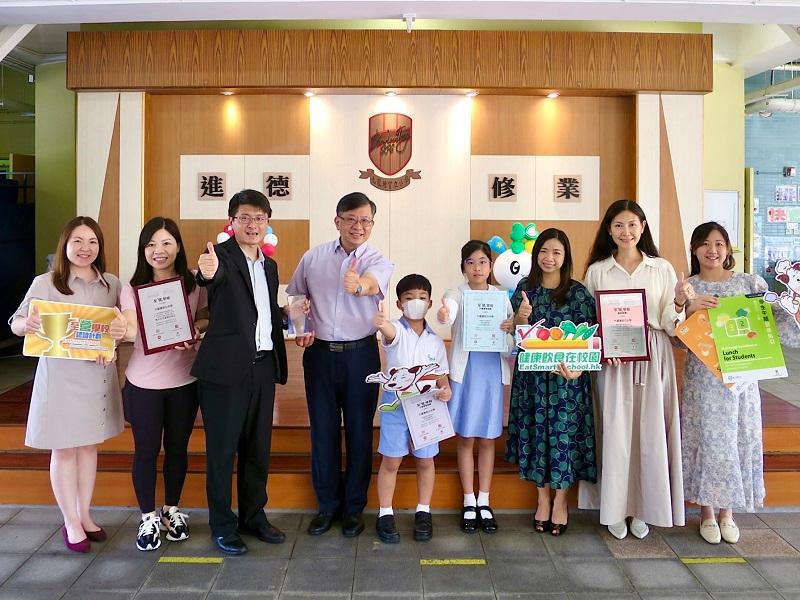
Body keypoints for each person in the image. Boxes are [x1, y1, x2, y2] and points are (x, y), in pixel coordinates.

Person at [9, 216, 127, 552]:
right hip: (60, 377)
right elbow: (17, 323)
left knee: (89, 446)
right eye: (78, 241)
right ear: (65, 244)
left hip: (96, 375)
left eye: (92, 241)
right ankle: (70, 521)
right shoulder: (47, 283)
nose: (85, 248)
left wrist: (116, 341)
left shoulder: (112, 285)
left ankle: (85, 514)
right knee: (64, 448)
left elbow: (120, 329)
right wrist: (27, 323)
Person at [577, 199, 693, 539]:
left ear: (642, 227)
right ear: (609, 231)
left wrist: (680, 302)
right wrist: (602, 345)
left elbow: (673, 326)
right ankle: (615, 507)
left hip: (654, 356)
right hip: (612, 363)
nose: (626, 232)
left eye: (632, 225)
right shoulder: (598, 270)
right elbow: (588, 321)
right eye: (618, 226)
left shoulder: (662, 268)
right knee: (615, 431)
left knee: (650, 434)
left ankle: (645, 507)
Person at [680, 222, 799, 544]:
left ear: (728, 248)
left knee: (735, 440)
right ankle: (706, 513)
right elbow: (677, 340)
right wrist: (686, 308)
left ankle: (728, 513)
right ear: (694, 249)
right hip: (702, 381)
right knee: (707, 441)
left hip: (742, 382)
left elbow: (778, 327)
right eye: (705, 244)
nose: (712, 250)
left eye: (719, 243)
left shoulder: (750, 282)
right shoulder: (688, 287)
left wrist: (795, 308)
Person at [286, 191, 394, 538]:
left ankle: (353, 508)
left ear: (372, 225)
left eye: (365, 220)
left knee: (360, 433)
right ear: (338, 222)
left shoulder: (378, 259)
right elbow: (296, 297)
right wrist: (300, 327)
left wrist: (358, 285)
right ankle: (327, 506)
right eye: (351, 219)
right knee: (323, 431)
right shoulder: (314, 257)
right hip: (319, 354)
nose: (358, 226)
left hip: (362, 355)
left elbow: (372, 283)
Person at [193, 189, 288, 555]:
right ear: (232, 222)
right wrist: (206, 273)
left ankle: (254, 517)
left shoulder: (270, 265)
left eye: (260, 218)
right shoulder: (220, 258)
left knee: (257, 450)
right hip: (225, 372)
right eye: (245, 218)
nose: (253, 224)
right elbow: (210, 280)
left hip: (263, 367)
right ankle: (222, 525)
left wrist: (289, 315)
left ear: (267, 223)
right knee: (222, 451)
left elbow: (261, 312)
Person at [120, 217, 208, 551]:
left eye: (167, 243)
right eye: (152, 245)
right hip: (143, 383)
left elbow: (204, 315)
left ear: (178, 247)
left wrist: (196, 329)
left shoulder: (193, 284)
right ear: (144, 250)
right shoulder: (130, 290)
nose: (160, 251)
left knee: (177, 449)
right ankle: (147, 517)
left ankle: (172, 509)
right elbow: (128, 328)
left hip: (184, 381)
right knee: (145, 451)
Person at [507, 228, 597, 537]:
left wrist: (579, 370)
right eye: (544, 251)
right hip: (532, 382)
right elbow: (514, 333)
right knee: (536, 437)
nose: (549, 258)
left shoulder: (578, 293)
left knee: (562, 439)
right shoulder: (523, 288)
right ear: (536, 255)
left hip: (566, 383)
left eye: (556, 252)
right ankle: (542, 498)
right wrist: (520, 317)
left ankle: (561, 501)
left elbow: (591, 339)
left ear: (565, 257)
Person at [437, 240, 513, 534]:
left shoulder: (500, 297)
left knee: (488, 439)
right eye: (471, 262)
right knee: (466, 437)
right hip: (466, 374)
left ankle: (485, 500)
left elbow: (509, 336)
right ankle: (468, 500)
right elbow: (450, 311)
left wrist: (511, 328)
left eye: (483, 262)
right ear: (463, 267)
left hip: (491, 372)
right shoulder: (456, 293)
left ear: (491, 266)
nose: (477, 267)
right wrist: (445, 315)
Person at [372, 274, 451, 543]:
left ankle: (423, 510)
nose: (415, 302)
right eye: (409, 298)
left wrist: (446, 388)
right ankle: (384, 513)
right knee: (391, 460)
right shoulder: (395, 330)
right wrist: (381, 324)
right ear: (399, 303)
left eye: (420, 297)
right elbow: (389, 334)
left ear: (429, 303)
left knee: (426, 460)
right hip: (396, 407)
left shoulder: (435, 340)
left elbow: (441, 374)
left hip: (426, 410)